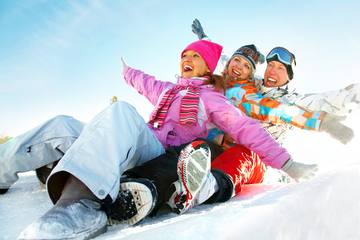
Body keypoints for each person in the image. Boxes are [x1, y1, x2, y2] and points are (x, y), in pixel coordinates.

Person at [9, 39, 295, 239]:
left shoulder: (216, 98)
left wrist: (287, 163)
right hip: (138, 141)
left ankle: (80, 204)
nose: (187, 59)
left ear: (208, 66)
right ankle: (3, 168)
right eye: (185, 55)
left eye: (195, 56)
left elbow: (248, 130)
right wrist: (124, 68)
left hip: (162, 152)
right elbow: (142, 80)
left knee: (120, 112)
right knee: (64, 124)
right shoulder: (167, 89)